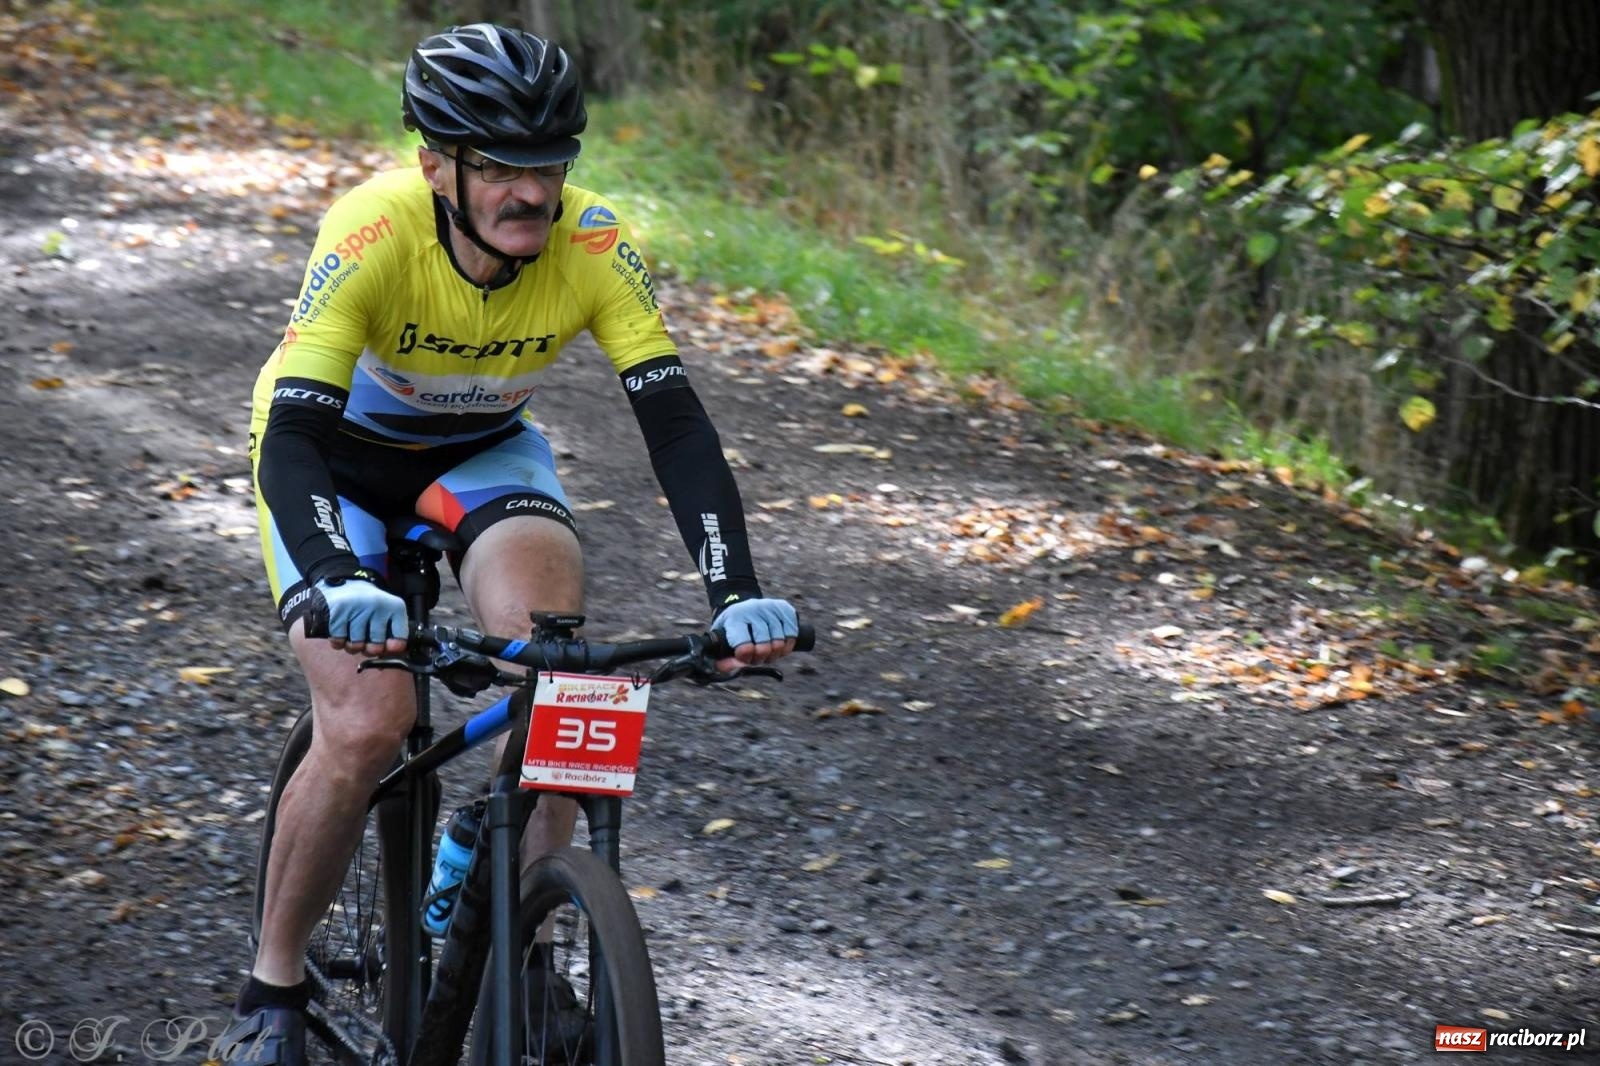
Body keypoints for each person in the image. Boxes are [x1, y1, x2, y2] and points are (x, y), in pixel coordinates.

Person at [217, 22, 799, 1063]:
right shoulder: (373, 228)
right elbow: (297, 430)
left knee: (568, 675)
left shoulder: (591, 241)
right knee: (368, 714)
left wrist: (733, 591)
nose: (531, 191)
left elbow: (674, 422)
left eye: (549, 164)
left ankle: (514, 928)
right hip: (334, 460)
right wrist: (334, 573)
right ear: (435, 162)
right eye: (500, 167)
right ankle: (272, 987)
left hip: (480, 454)